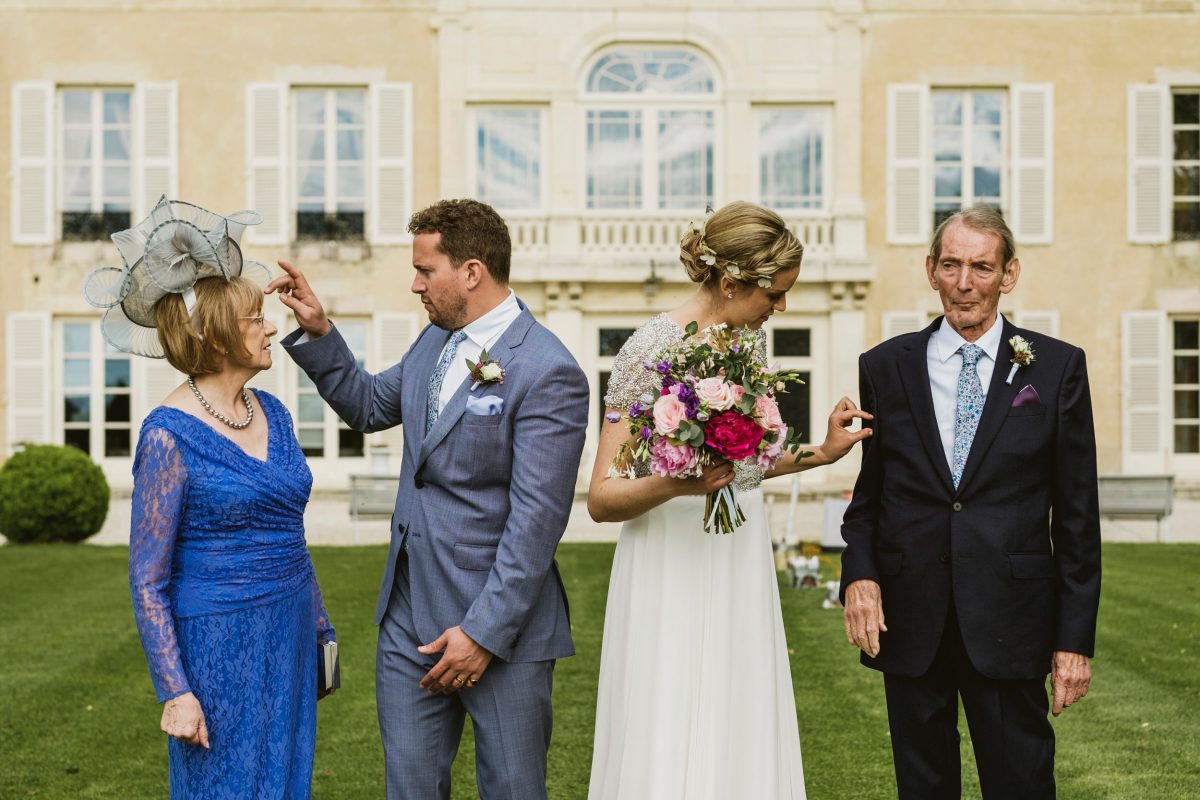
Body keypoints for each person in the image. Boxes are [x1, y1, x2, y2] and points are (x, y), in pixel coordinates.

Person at [271, 198, 589, 800]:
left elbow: (536, 524)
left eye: (424, 271)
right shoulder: (435, 342)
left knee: (513, 790)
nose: (415, 285)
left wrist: (483, 634)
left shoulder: (549, 370)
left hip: (503, 630)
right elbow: (369, 406)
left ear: (471, 272)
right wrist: (319, 331)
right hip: (407, 615)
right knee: (410, 788)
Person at [586, 201, 872, 799]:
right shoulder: (648, 350)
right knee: (668, 707)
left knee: (737, 705)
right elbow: (603, 497)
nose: (781, 307)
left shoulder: (750, 346)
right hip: (668, 558)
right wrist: (679, 484)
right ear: (730, 282)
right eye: (775, 294)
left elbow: (749, 463)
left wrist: (822, 451)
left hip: (737, 550)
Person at [840, 204, 1101, 799]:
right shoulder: (884, 366)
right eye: (951, 265)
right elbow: (870, 499)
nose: (965, 283)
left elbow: (1078, 519)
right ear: (930, 269)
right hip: (911, 620)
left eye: (982, 267)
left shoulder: (1057, 368)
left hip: (1012, 620)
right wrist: (860, 576)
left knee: (1021, 786)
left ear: (1009, 274)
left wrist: (1073, 642)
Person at [89, 198, 336, 798]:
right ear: (217, 336)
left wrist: (322, 631)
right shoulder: (167, 436)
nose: (270, 328)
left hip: (289, 632)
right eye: (256, 319)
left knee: (286, 782)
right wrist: (175, 690)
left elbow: (291, 537)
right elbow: (147, 580)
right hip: (217, 645)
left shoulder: (274, 412)